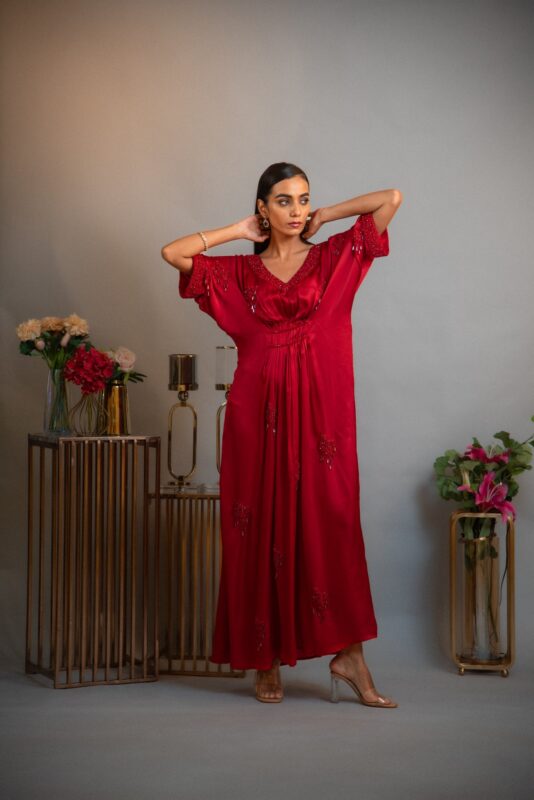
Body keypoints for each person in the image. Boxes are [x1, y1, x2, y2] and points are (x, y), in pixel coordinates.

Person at [161, 162, 403, 706]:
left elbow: (390, 198)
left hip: (322, 419)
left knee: (332, 523)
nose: (296, 210)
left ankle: (350, 656)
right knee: (259, 525)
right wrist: (236, 231)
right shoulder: (239, 274)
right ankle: (263, 657)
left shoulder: (333, 257)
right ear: (263, 208)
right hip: (257, 414)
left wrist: (327, 215)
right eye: (284, 201)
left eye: (303, 199)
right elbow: (173, 253)